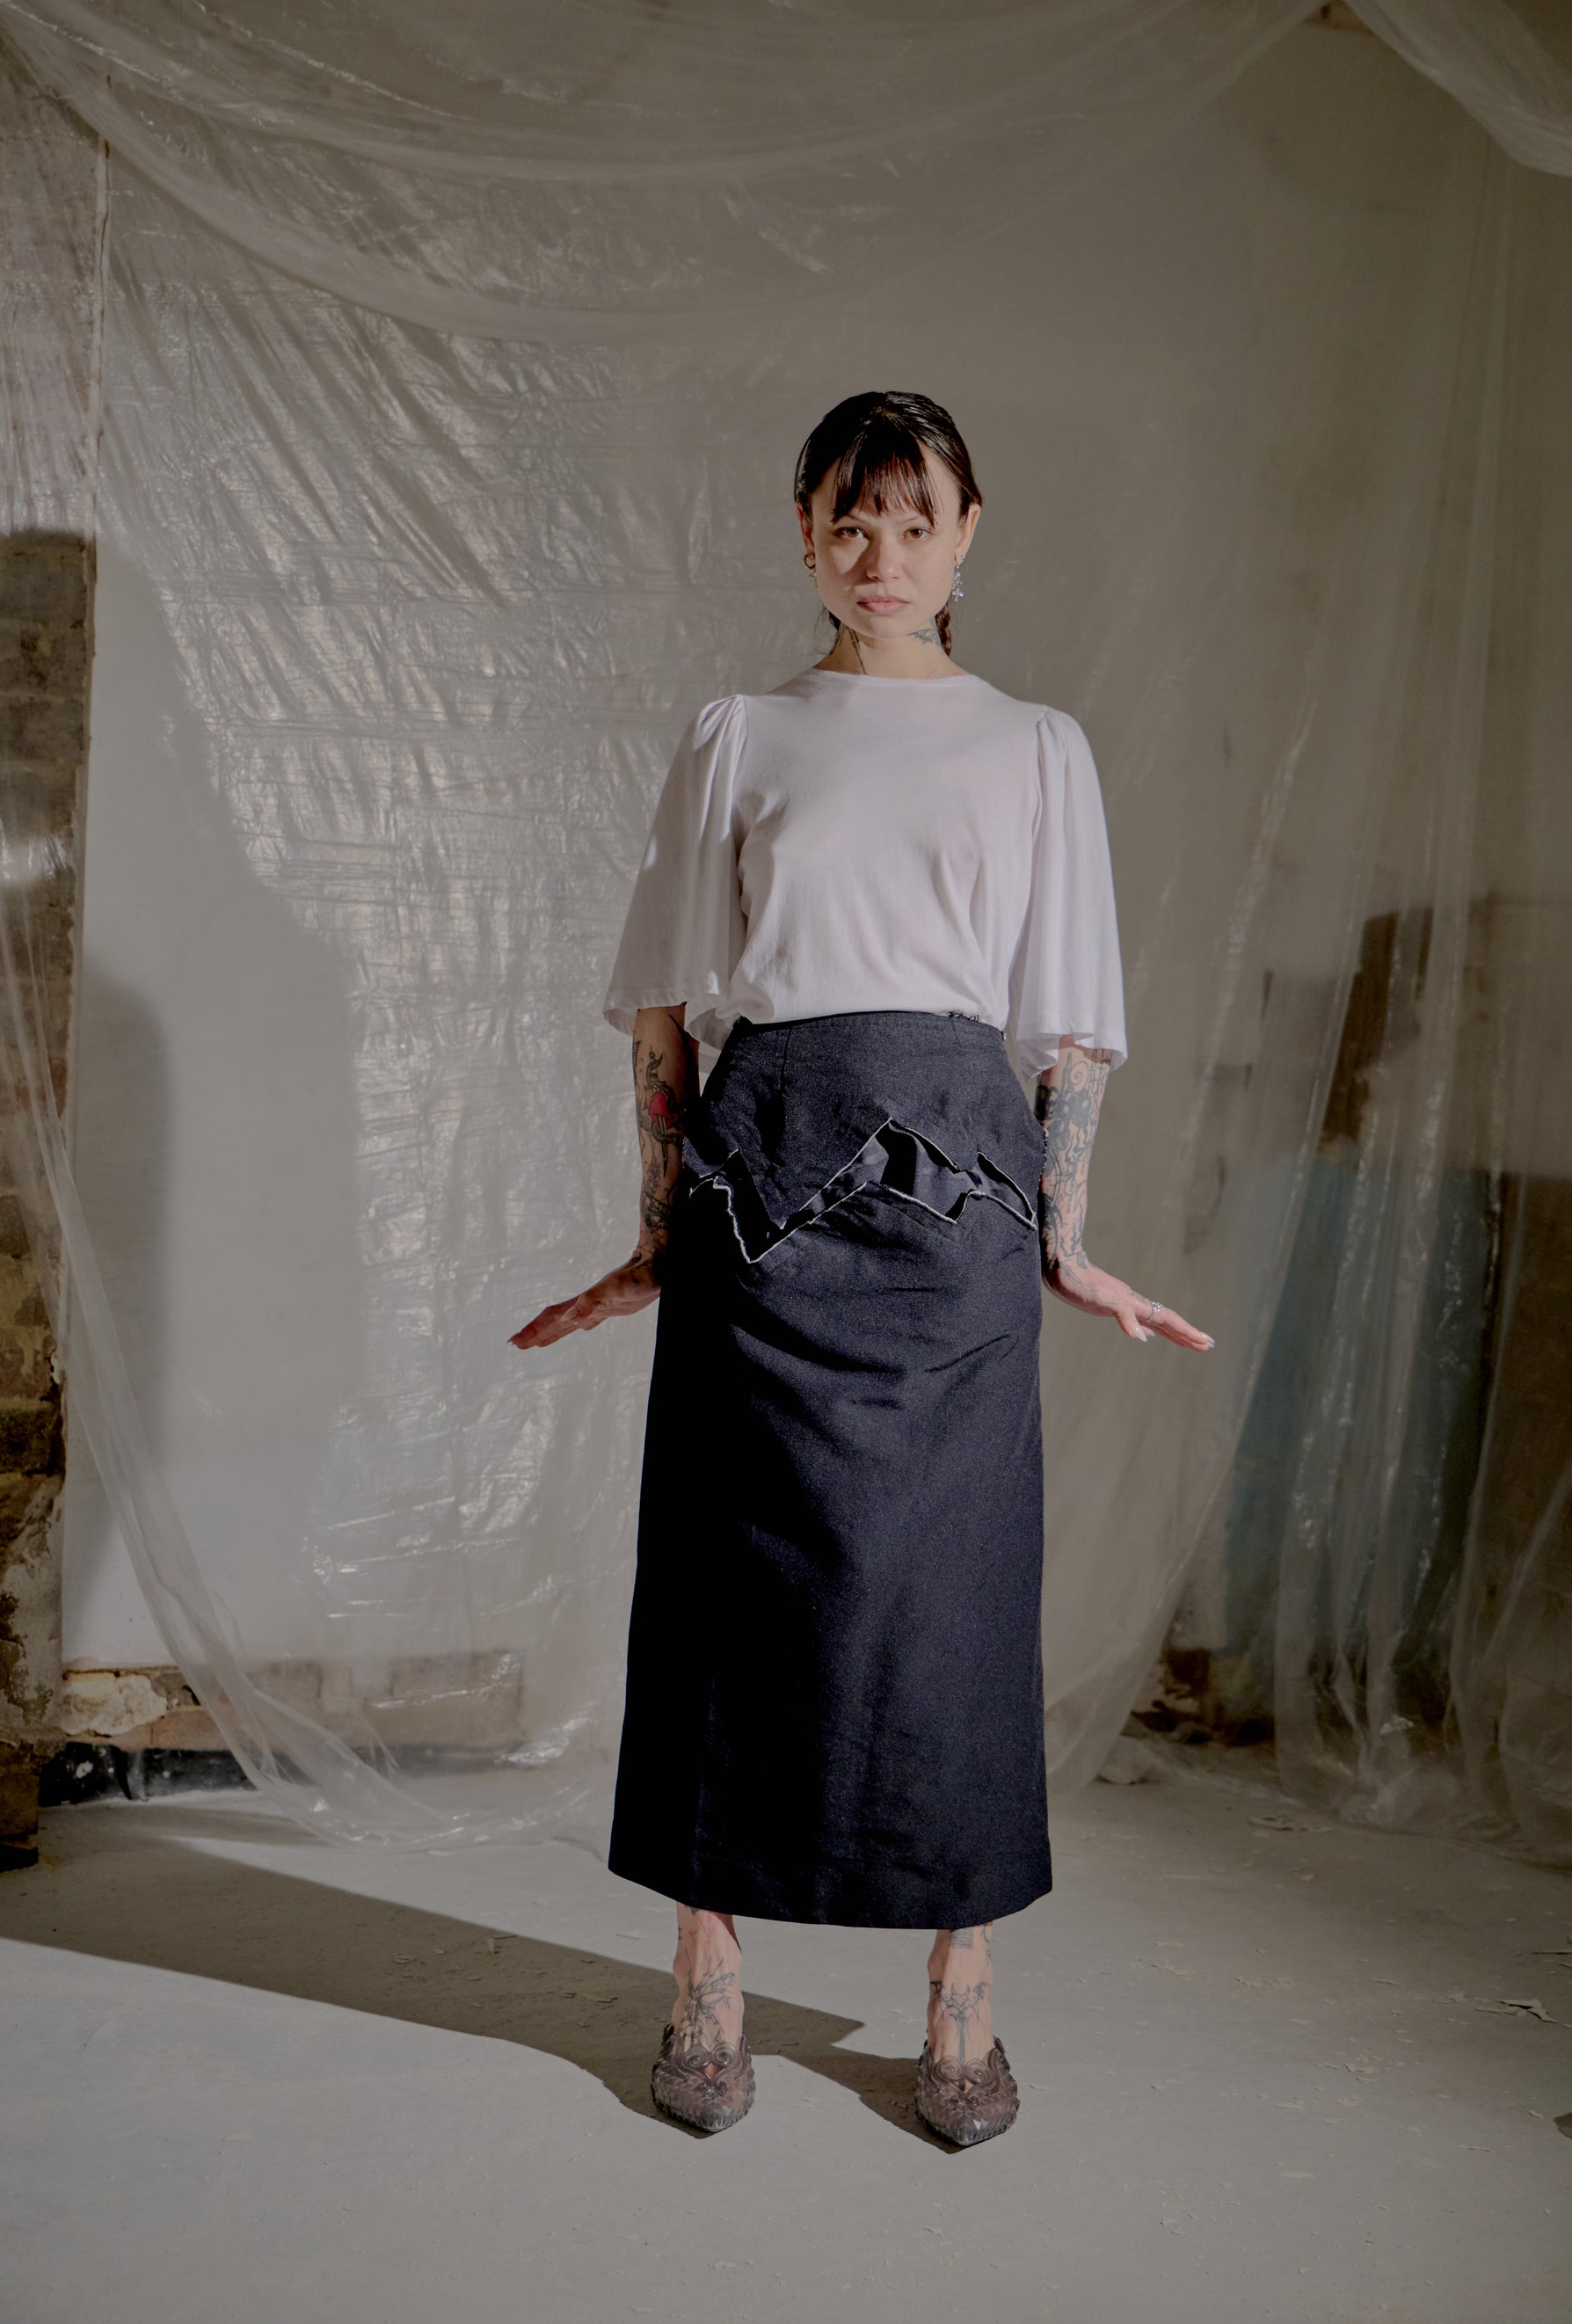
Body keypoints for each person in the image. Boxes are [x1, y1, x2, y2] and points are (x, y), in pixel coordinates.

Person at [511, 390, 1212, 2146]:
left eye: (914, 519)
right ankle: (707, 1976)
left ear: (969, 532)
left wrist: (1064, 1239)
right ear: (804, 529)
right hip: (762, 1191)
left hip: (959, 1205)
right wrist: (655, 1225)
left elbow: (1070, 1027)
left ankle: (960, 1991)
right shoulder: (738, 731)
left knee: (952, 1595)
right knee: (730, 1583)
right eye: (847, 514)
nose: (878, 551)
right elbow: (669, 1003)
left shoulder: (1038, 744)